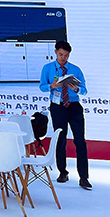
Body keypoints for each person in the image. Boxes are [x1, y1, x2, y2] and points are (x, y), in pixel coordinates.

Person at [39, 39, 90, 190]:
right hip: (57, 106)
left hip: (74, 106)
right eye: (61, 54)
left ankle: (84, 177)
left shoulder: (75, 69)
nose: (63, 58)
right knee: (60, 140)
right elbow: (42, 86)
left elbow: (84, 90)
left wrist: (76, 89)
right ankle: (62, 172)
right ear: (56, 52)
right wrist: (52, 86)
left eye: (66, 55)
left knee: (80, 141)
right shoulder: (48, 68)